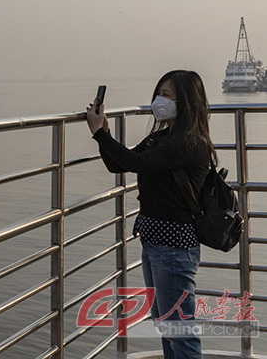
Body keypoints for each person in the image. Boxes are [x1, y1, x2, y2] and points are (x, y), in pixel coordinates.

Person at [86, 70, 215, 359]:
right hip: (154, 243)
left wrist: (98, 133)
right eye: (158, 93)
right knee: (165, 324)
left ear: (187, 101)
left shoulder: (189, 142)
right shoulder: (162, 137)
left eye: (166, 95)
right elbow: (119, 165)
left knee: (179, 330)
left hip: (173, 248)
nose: (159, 100)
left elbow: (137, 163)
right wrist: (103, 134)